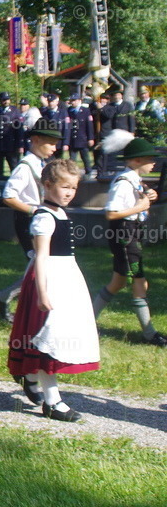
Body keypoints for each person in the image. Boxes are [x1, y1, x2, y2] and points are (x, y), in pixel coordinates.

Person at [8, 159, 100, 421]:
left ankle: (28, 374)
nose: (70, 192)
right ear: (47, 185)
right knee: (50, 340)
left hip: (67, 278)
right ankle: (53, 401)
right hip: (49, 280)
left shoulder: (60, 212)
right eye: (64, 187)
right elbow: (40, 257)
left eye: (73, 187)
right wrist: (43, 293)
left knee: (57, 338)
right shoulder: (44, 217)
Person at [91, 134, 167, 347]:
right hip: (124, 235)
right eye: (149, 158)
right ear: (136, 161)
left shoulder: (133, 179)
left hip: (131, 233)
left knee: (118, 282)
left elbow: (140, 193)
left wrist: (149, 194)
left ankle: (88, 321)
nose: (153, 162)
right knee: (139, 281)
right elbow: (111, 213)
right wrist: (140, 207)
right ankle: (149, 333)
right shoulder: (124, 183)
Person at [0, 118, 63, 324]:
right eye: (51, 143)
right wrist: (34, 210)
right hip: (29, 221)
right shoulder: (25, 167)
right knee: (40, 265)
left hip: (42, 219)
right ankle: (27, 308)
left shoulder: (41, 163)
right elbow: (8, 196)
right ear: (36, 140)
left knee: (42, 265)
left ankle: (4, 297)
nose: (54, 148)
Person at [0, 92, 23, 176]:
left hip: (11, 145)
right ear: (0, 100)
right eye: (4, 100)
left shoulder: (15, 112)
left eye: (7, 99)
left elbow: (19, 130)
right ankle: (0, 186)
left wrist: (20, 145)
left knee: (14, 167)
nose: (6, 101)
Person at [65, 93, 95, 175]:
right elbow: (68, 126)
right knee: (72, 159)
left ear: (79, 101)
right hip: (73, 139)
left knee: (85, 157)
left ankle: (88, 172)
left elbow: (89, 126)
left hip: (82, 138)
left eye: (74, 100)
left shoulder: (85, 111)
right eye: (71, 101)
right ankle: (72, 173)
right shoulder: (68, 111)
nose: (72, 102)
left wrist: (90, 138)